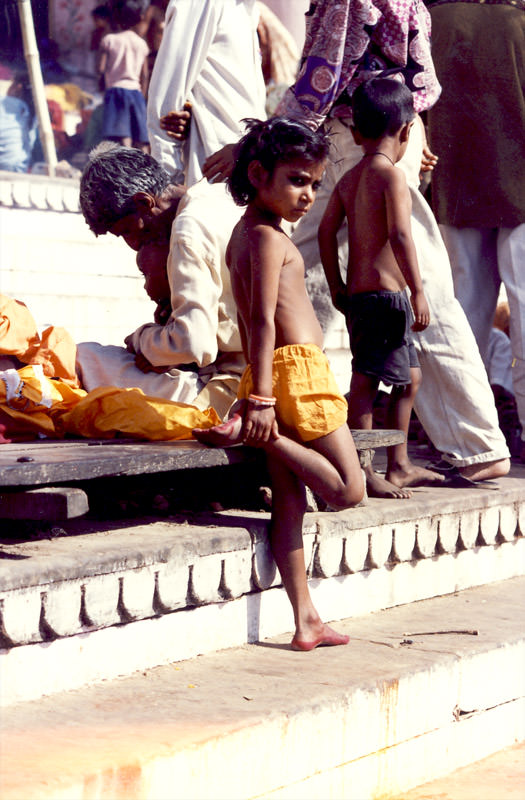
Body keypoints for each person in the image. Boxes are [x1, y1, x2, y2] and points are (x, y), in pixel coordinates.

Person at [224, 0, 508, 483]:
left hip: (356, 131)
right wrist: (409, 136)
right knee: (383, 287)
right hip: (392, 130)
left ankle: (258, 398)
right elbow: (419, 77)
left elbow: (328, 67)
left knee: (286, 258)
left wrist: (264, 138)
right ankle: (468, 442)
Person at [194, 118, 364, 651]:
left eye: (314, 184)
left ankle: (306, 619)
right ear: (258, 174)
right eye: (297, 181)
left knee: (288, 504)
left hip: (269, 376)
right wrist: (264, 403)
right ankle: (260, 434)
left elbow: (251, 326)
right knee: (347, 490)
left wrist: (254, 388)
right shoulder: (266, 238)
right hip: (293, 377)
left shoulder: (244, 234)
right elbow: (263, 321)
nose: (308, 195)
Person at [319, 78, 444, 498]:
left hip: (361, 297)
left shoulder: (350, 178)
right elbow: (401, 236)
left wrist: (337, 285)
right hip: (387, 299)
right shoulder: (392, 177)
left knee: (409, 378)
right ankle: (364, 467)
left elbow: (323, 232)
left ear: (355, 131)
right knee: (367, 382)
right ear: (408, 131)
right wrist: (419, 291)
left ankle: (400, 463)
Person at [77, 142, 244, 419]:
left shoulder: (187, 230)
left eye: (128, 231)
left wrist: (142, 339)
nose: (133, 244)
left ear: (144, 202)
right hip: (260, 376)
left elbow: (191, 344)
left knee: (83, 357)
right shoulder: (216, 195)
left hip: (229, 394)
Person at [426, 0, 525, 463]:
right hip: (516, 181)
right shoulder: (515, 19)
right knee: (522, 310)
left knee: (463, 311)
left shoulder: (434, 17)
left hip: (455, 179)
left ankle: (464, 435)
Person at [147, 0, 266, 185]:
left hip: (249, 170)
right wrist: (169, 186)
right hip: (212, 171)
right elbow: (166, 106)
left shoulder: (249, 10)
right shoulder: (202, 3)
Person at [97, 0, 150, 151]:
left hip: (116, 91)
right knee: (141, 137)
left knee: (122, 136)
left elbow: (101, 69)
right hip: (136, 91)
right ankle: (146, 168)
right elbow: (144, 75)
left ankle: (126, 169)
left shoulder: (109, 40)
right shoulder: (141, 43)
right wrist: (142, 95)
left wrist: (102, 87)